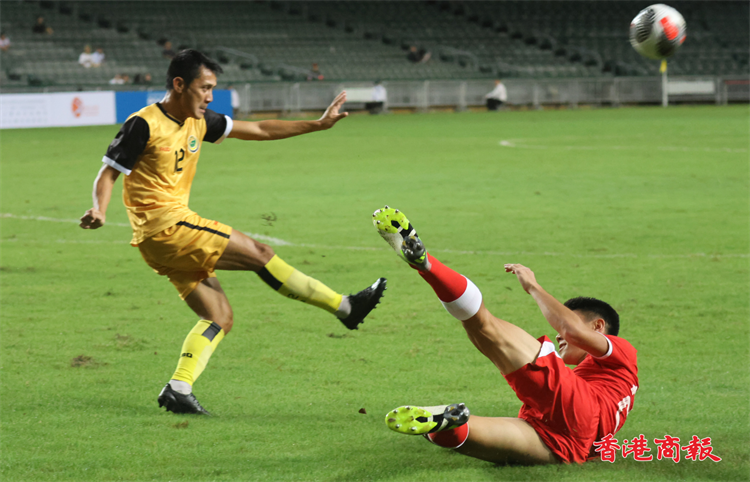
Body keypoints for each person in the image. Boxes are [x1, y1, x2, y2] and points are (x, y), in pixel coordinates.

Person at [79, 50, 386, 416]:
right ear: (179, 84)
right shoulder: (143, 124)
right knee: (260, 254)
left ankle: (179, 387)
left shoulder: (199, 120)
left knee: (219, 317)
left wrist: (317, 125)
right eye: (204, 88)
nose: (210, 97)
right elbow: (109, 171)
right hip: (168, 227)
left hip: (157, 242)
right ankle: (346, 308)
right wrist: (99, 209)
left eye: (213, 88)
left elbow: (258, 129)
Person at [372, 206, 638, 465]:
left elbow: (572, 331)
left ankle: (427, 265)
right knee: (459, 435)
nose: (559, 335)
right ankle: (440, 426)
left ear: (598, 326)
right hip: (572, 444)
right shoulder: (612, 383)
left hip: (577, 408)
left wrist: (533, 287)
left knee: (483, 324)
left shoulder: (622, 351)